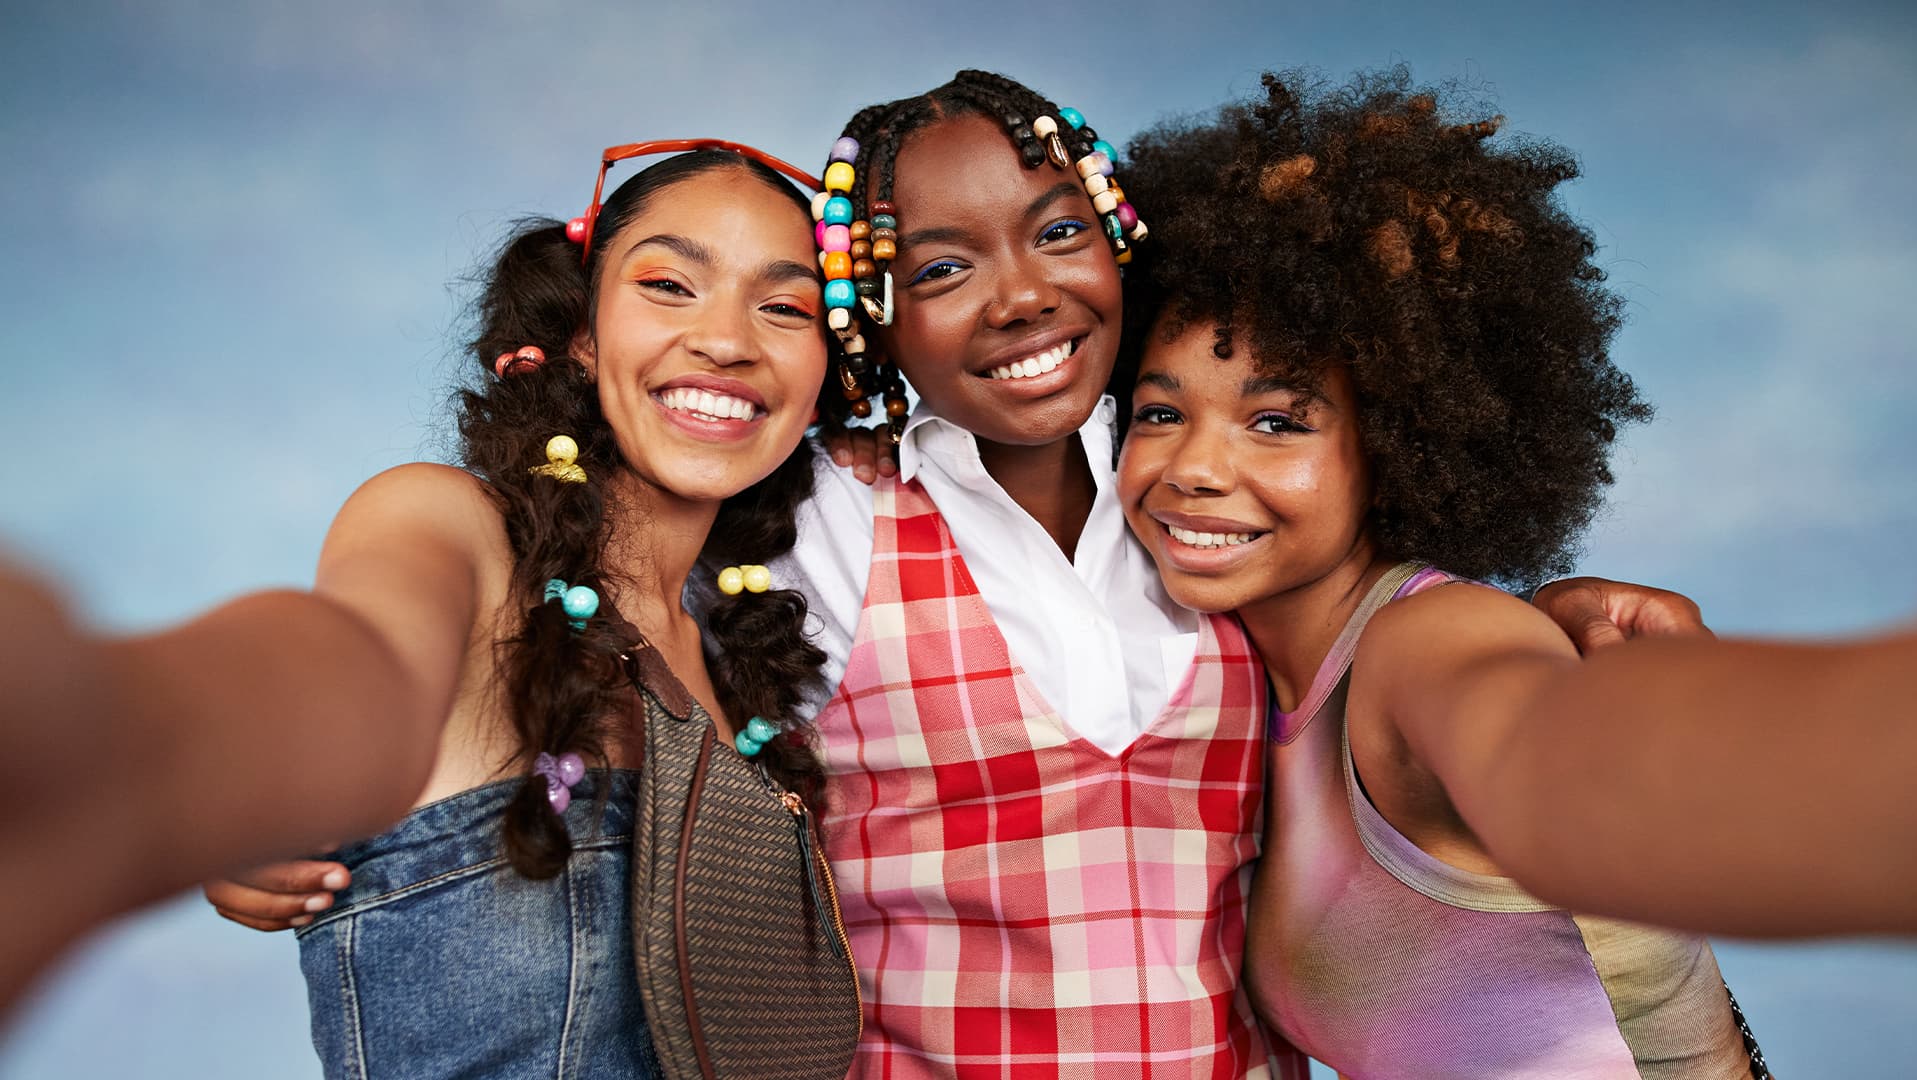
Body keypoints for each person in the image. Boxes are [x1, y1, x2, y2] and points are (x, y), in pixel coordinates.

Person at [206, 72, 1707, 1079]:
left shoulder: (1196, 503)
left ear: (1122, 252)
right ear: (877, 327)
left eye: (1060, 232)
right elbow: (524, 575)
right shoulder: (815, 523)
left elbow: (1379, 635)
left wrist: (1539, 612)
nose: (1020, 294)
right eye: (937, 267)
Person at [0, 143, 861, 1076]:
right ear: (581, 333)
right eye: (668, 285)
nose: (729, 339)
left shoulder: (749, 661)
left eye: (785, 306)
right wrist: (175, 760)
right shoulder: (455, 530)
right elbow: (349, 664)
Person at [1114, 67, 1784, 1077]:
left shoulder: (1433, 639)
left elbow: (1530, 736)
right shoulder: (1242, 685)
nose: (1195, 468)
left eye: (1276, 421)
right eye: (1160, 413)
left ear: (1394, 435)